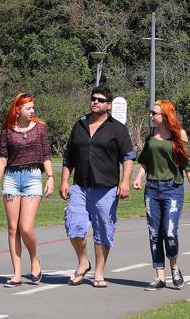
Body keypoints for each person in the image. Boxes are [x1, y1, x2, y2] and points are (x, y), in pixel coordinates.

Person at [61, 84, 134, 289]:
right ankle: (83, 262)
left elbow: (128, 157)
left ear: (108, 105)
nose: (95, 102)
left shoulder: (117, 129)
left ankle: (99, 272)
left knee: (103, 231)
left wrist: (125, 181)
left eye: (100, 100)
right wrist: (64, 180)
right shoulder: (80, 125)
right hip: (80, 186)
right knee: (74, 227)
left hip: (106, 188)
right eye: (93, 98)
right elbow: (69, 156)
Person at [133, 100, 190, 290]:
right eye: (151, 112)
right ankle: (160, 276)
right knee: (154, 233)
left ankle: (175, 267)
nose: (151, 115)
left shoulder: (178, 136)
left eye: (154, 113)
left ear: (165, 115)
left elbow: (188, 167)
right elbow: (145, 161)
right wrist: (139, 177)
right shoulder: (150, 137)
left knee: (169, 232)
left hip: (172, 189)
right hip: (152, 189)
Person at [0, 92, 55, 287]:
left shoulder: (40, 128)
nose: (32, 111)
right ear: (17, 110)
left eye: (33, 107)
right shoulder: (7, 131)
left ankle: (34, 259)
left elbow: (46, 155)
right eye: (29, 108)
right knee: (13, 228)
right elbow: (2, 160)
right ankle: (16, 274)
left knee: (26, 228)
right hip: (11, 179)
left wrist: (50, 177)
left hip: (33, 178)